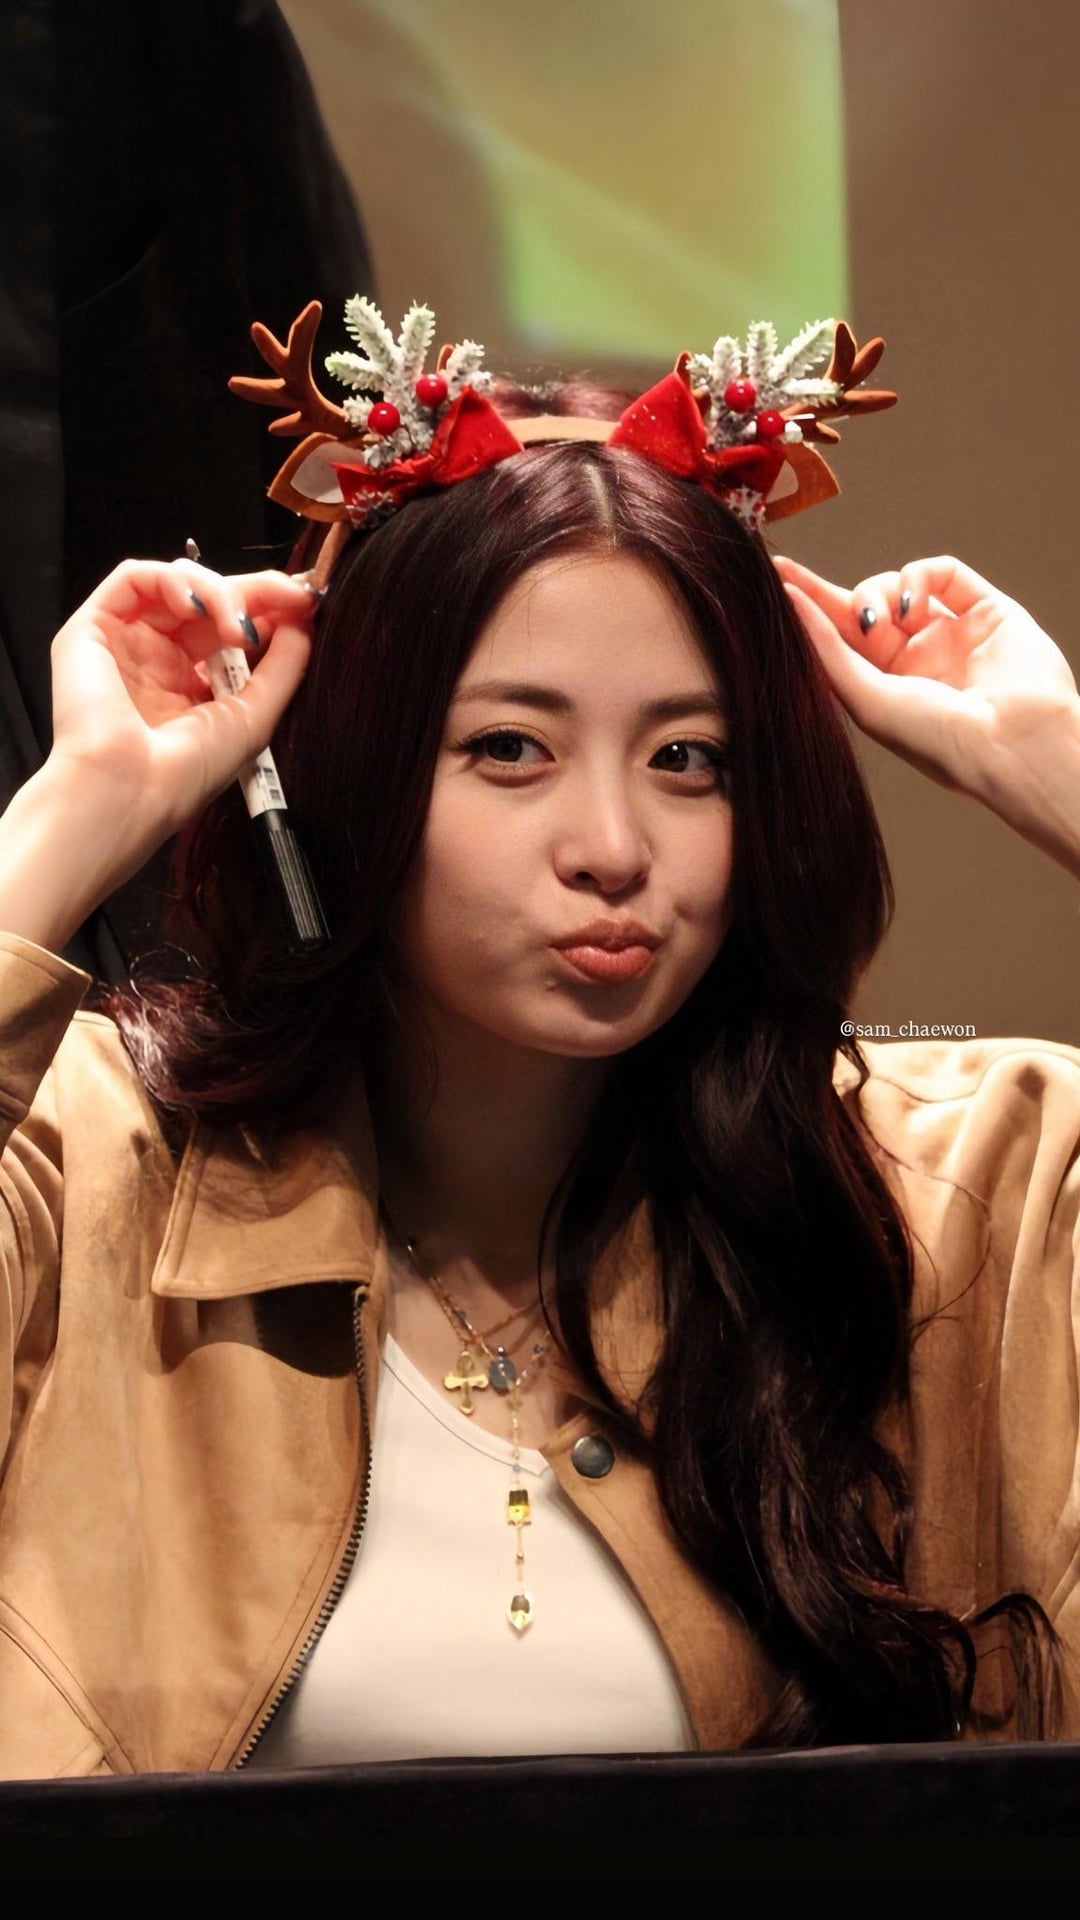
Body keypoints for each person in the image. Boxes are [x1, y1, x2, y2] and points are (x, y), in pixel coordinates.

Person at [0, 301, 1078, 1779]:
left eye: (688, 759)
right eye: (510, 748)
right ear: (360, 769)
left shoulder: (968, 1194)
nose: (615, 846)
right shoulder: (92, 1168)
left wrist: (1057, 769)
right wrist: (72, 816)